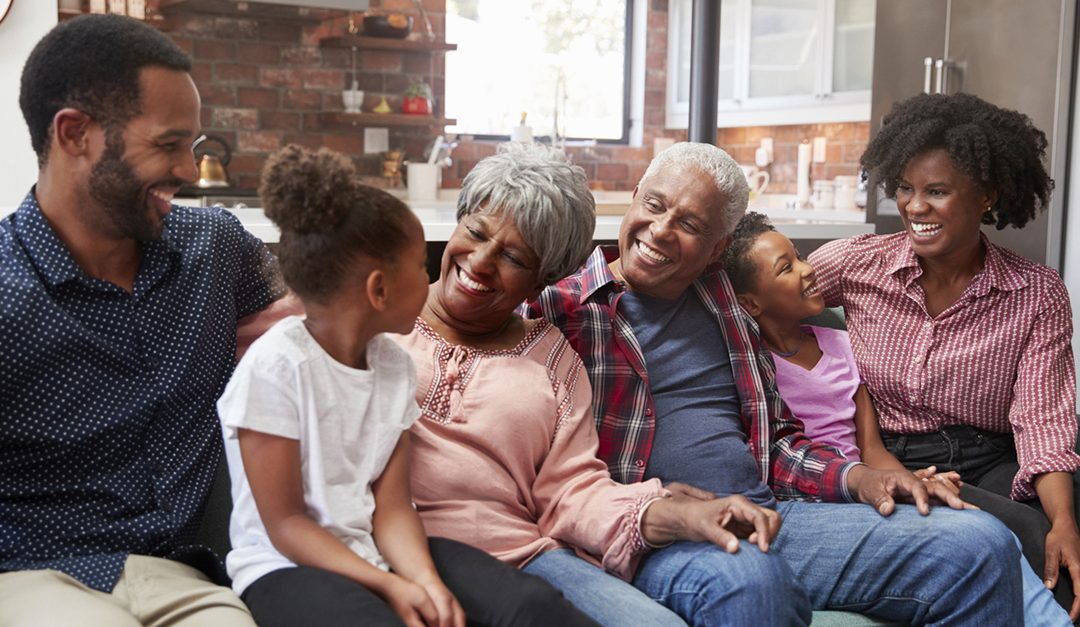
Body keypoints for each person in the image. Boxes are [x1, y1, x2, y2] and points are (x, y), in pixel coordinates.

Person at [526, 141, 1027, 625]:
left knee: (980, 544)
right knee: (751, 576)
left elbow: (778, 442)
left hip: (771, 514)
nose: (659, 231)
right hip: (659, 532)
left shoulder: (724, 301)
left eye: (690, 224)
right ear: (635, 195)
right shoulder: (560, 309)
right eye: (654, 205)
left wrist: (859, 478)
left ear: (717, 248)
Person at [395, 143, 786, 626]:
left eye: (514, 258)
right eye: (474, 232)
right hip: (395, 541)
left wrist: (677, 514)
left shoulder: (555, 355)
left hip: (525, 554)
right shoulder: (379, 315)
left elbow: (573, 493)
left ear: (542, 281)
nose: (480, 262)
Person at [215, 145, 591, 627]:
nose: (433, 278)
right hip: (283, 567)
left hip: (376, 550)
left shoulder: (392, 366)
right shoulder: (275, 367)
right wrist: (389, 584)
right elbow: (286, 524)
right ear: (378, 290)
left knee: (531, 608)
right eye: (419, 266)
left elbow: (393, 507)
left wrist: (428, 583)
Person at [0, 14, 285, 626]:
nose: (189, 168)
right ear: (75, 134)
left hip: (187, 575)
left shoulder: (216, 248)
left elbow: (317, 318)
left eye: (193, 143)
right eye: (167, 143)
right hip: (30, 572)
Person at [724, 211, 1071, 625]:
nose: (807, 269)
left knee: (990, 529)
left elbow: (871, 448)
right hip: (817, 498)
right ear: (749, 302)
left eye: (799, 256)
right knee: (975, 541)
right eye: (787, 267)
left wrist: (913, 482)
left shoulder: (841, 346)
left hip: (872, 484)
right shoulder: (751, 364)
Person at [809, 92, 1080, 619]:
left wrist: (1066, 521)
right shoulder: (856, 264)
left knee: (1061, 538)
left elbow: (1043, 422)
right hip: (889, 455)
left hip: (992, 457)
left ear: (986, 196)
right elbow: (763, 297)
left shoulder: (1036, 292)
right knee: (1022, 532)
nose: (914, 207)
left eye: (936, 191)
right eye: (907, 189)